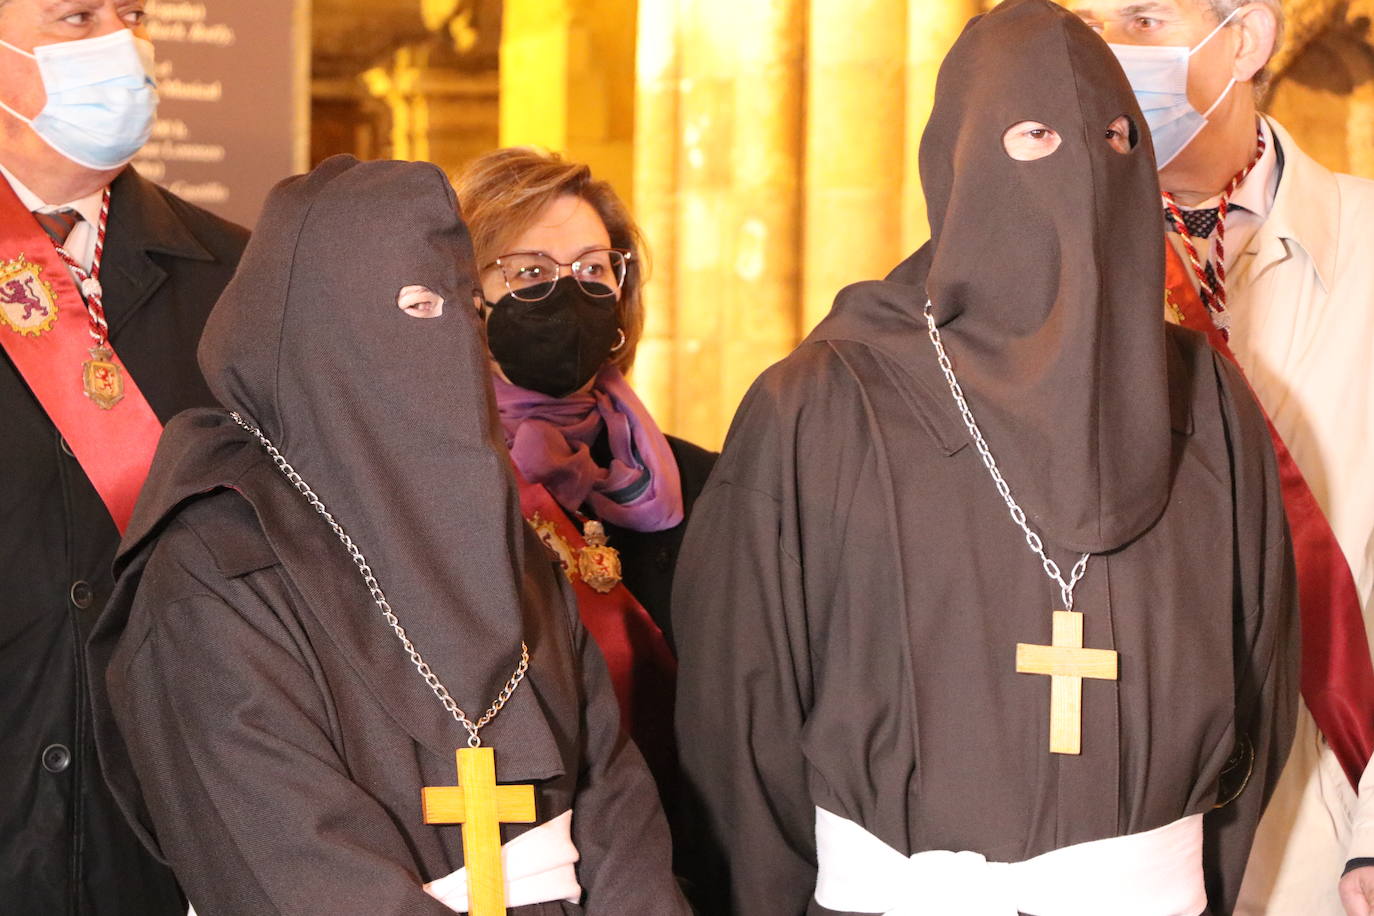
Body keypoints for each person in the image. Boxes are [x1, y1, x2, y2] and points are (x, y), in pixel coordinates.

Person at [670, 1, 1298, 913]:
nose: (1083, 163)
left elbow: (1262, 688)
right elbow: (739, 719)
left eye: (1114, 135)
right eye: (1035, 133)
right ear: (957, 158)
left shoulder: (1208, 402)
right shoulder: (821, 403)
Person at [86, 155, 688, 915]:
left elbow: (613, 792)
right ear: (312, 323)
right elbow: (290, 869)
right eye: (412, 304)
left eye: (460, 308)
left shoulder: (503, 538)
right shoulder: (209, 568)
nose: (445, 342)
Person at [1070, 1, 1374, 911]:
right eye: (1082, 23)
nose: (1107, 51)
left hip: (1329, 817)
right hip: (1116, 817)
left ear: (1243, 39)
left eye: (1144, 18)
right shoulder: (1043, 263)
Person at [0, 0, 247, 911]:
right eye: (76, 16)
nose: (120, 41)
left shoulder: (239, 280)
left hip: (172, 838)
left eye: (132, 12)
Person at [453, 149, 716, 833]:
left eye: (593, 270)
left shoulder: (704, 483)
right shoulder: (432, 486)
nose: (570, 294)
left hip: (679, 841)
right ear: (464, 296)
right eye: (530, 272)